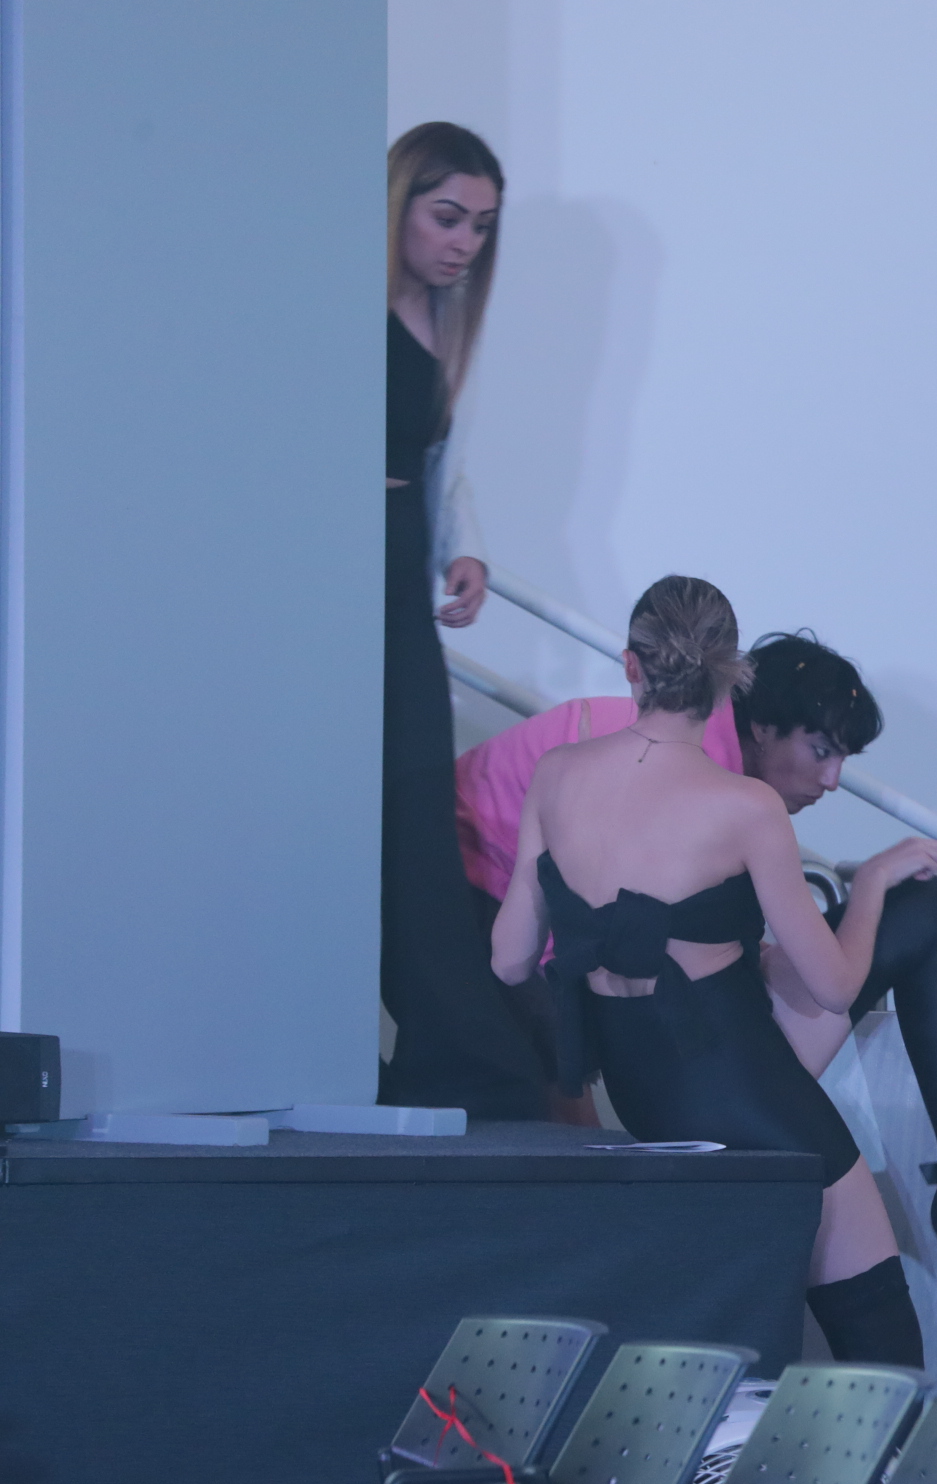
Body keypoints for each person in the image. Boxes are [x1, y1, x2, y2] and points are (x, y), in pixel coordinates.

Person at [457, 632, 937, 1302]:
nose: (833, 779)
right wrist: (870, 884)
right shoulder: (660, 763)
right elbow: (574, 945)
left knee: (926, 909)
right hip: (618, 1015)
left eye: (842, 757)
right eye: (821, 751)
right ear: (761, 727)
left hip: (685, 1035)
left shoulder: (715, 780)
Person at [491, 578, 936, 1366]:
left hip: (643, 1096)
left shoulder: (557, 774)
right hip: (749, 1096)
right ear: (730, 680)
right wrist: (869, 886)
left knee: (721, 1358)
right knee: (882, 1347)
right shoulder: (746, 806)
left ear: (631, 666)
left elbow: (510, 959)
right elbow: (835, 986)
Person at [382, 121, 549, 1117]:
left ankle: (454, 1054)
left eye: (481, 227)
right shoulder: (339, 310)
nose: (464, 244)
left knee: (413, 809)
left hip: (398, 584)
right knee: (370, 803)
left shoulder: (445, 325)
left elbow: (444, 468)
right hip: (338, 582)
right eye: (448, 217)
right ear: (397, 201)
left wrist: (467, 547)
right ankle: (458, 1052)